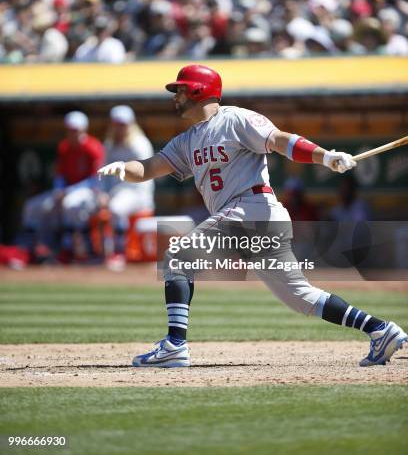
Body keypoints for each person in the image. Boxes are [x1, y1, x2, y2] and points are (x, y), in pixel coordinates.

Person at [98, 65, 407, 368]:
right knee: (301, 298)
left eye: (179, 90)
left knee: (179, 256)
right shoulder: (187, 140)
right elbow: (150, 167)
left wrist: (324, 156)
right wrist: (125, 168)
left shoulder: (235, 118)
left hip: (251, 207)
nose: (174, 96)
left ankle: (175, 345)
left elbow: (279, 140)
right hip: (252, 217)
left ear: (198, 90)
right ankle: (380, 330)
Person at [22, 111, 105, 258]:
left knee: (70, 203)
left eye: (76, 130)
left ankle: (69, 249)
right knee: (32, 206)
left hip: (90, 192)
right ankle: (30, 248)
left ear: (83, 130)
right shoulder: (64, 147)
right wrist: (59, 189)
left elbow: (96, 179)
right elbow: (60, 175)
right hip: (67, 190)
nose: (72, 134)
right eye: (70, 130)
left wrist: (67, 190)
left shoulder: (93, 147)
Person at [98, 105, 155, 253]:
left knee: (116, 208)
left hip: (137, 193)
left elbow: (144, 178)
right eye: (116, 124)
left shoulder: (139, 144)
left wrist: (111, 196)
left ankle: (119, 251)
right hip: (114, 193)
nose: (119, 128)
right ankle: (89, 251)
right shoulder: (109, 145)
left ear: (131, 124)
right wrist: (103, 193)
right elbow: (103, 174)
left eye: (123, 125)